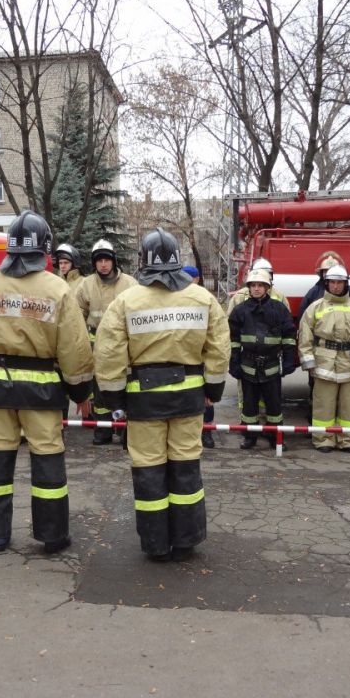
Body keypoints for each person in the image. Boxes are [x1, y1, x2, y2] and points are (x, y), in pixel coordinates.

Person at [0, 211, 93, 555]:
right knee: (47, 462)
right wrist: (80, 391)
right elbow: (74, 347)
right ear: (44, 248)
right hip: (42, 392)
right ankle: (52, 535)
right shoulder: (57, 288)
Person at [94, 228, 229, 562]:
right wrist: (213, 388)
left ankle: (156, 544)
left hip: (144, 401)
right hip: (189, 399)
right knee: (185, 464)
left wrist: (114, 399)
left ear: (143, 260)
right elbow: (219, 349)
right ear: (177, 260)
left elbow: (109, 354)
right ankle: (186, 540)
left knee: (149, 467)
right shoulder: (203, 299)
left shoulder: (125, 301)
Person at [298, 265, 350, 453]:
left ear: (346, 283)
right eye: (332, 282)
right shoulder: (315, 307)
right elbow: (304, 336)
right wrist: (308, 363)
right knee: (323, 405)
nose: (335, 286)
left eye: (339, 282)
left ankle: (349, 440)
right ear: (326, 283)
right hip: (324, 363)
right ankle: (323, 439)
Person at [75, 239, 137, 445]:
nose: (103, 264)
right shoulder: (87, 284)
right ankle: (102, 429)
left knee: (124, 385)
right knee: (99, 389)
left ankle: (123, 430)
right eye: (99, 260)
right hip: (96, 346)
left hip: (123, 345)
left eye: (107, 260)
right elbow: (77, 314)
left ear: (114, 261)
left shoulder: (130, 283)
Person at [228, 268, 297, 449]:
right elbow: (233, 339)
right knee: (249, 406)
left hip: (272, 364)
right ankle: (250, 437)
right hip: (248, 365)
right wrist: (234, 362)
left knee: (274, 405)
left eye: (261, 285)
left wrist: (290, 359)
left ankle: (275, 437)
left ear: (267, 287)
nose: (257, 288)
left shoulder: (279, 309)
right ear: (249, 288)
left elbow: (289, 335)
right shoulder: (240, 310)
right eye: (253, 285)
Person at [183, 265, 217, 448]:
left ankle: (206, 432)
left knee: (207, 398)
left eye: (190, 278)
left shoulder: (206, 299)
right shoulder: (177, 298)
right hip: (185, 355)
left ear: (197, 279)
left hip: (202, 354)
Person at [297, 251, 350, 325]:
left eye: (332, 270)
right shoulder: (314, 292)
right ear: (321, 273)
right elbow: (303, 318)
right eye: (326, 271)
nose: (329, 274)